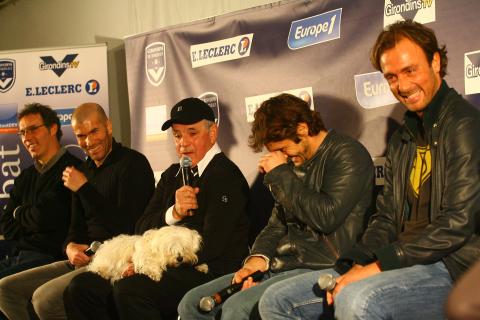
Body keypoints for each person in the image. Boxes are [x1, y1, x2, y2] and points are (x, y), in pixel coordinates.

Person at [258, 20, 480, 320]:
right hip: (405, 259)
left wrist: (380, 264)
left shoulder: (464, 125)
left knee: (357, 300)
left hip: (455, 266)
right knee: (277, 300)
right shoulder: (405, 136)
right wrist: (355, 260)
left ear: (435, 62)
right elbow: (387, 216)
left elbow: (456, 223)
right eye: (391, 76)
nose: (401, 86)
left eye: (410, 70)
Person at [178, 93, 374, 319]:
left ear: (301, 129)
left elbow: (326, 217)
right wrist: (256, 259)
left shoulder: (347, 154)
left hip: (324, 266)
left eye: (282, 148)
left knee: (237, 309)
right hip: (282, 266)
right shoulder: (291, 164)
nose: (280, 156)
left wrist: (281, 174)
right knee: (191, 304)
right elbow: (276, 225)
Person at [63, 97, 250, 320]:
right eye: (178, 135)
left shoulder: (225, 175)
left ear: (212, 133)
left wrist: (150, 263)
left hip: (208, 269)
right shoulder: (172, 175)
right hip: (164, 263)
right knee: (83, 287)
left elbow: (213, 245)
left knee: (131, 290)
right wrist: (174, 213)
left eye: (192, 133)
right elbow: (142, 226)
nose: (183, 143)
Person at [0, 103, 155, 320]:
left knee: (44, 299)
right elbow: (74, 228)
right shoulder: (81, 171)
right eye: (81, 136)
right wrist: (70, 247)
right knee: (6, 288)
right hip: (83, 258)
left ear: (108, 127)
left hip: (118, 257)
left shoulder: (133, 163)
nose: (89, 142)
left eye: (94, 131)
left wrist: (84, 189)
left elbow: (128, 226)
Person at [0, 103, 81, 278]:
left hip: (50, 258)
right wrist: (30, 220)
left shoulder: (73, 171)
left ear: (53, 129)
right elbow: (6, 225)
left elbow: (45, 219)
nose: (27, 137)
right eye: (22, 132)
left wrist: (19, 212)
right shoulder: (25, 177)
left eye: (33, 129)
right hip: (17, 253)